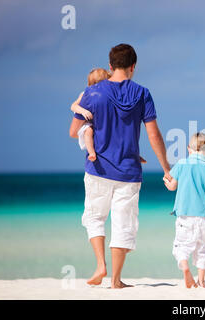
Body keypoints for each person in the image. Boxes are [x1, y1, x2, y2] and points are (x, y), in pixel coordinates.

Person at [69, 44, 171, 289]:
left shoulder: (93, 93)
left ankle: (100, 265)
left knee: (95, 217)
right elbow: (154, 135)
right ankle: (116, 280)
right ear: (133, 66)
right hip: (129, 171)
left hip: (98, 169)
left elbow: (74, 132)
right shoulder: (142, 93)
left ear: (111, 65)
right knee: (123, 223)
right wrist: (166, 168)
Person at [164, 132, 205, 288]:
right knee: (203, 250)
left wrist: (166, 181)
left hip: (185, 217)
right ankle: (201, 281)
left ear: (189, 149)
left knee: (181, 247)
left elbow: (172, 186)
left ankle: (185, 268)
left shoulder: (182, 164)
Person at [70, 68, 147, 164]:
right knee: (89, 131)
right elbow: (73, 106)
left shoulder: (107, 96)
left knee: (119, 134)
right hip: (86, 124)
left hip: (97, 125)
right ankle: (92, 152)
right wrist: (83, 111)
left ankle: (134, 155)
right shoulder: (86, 95)